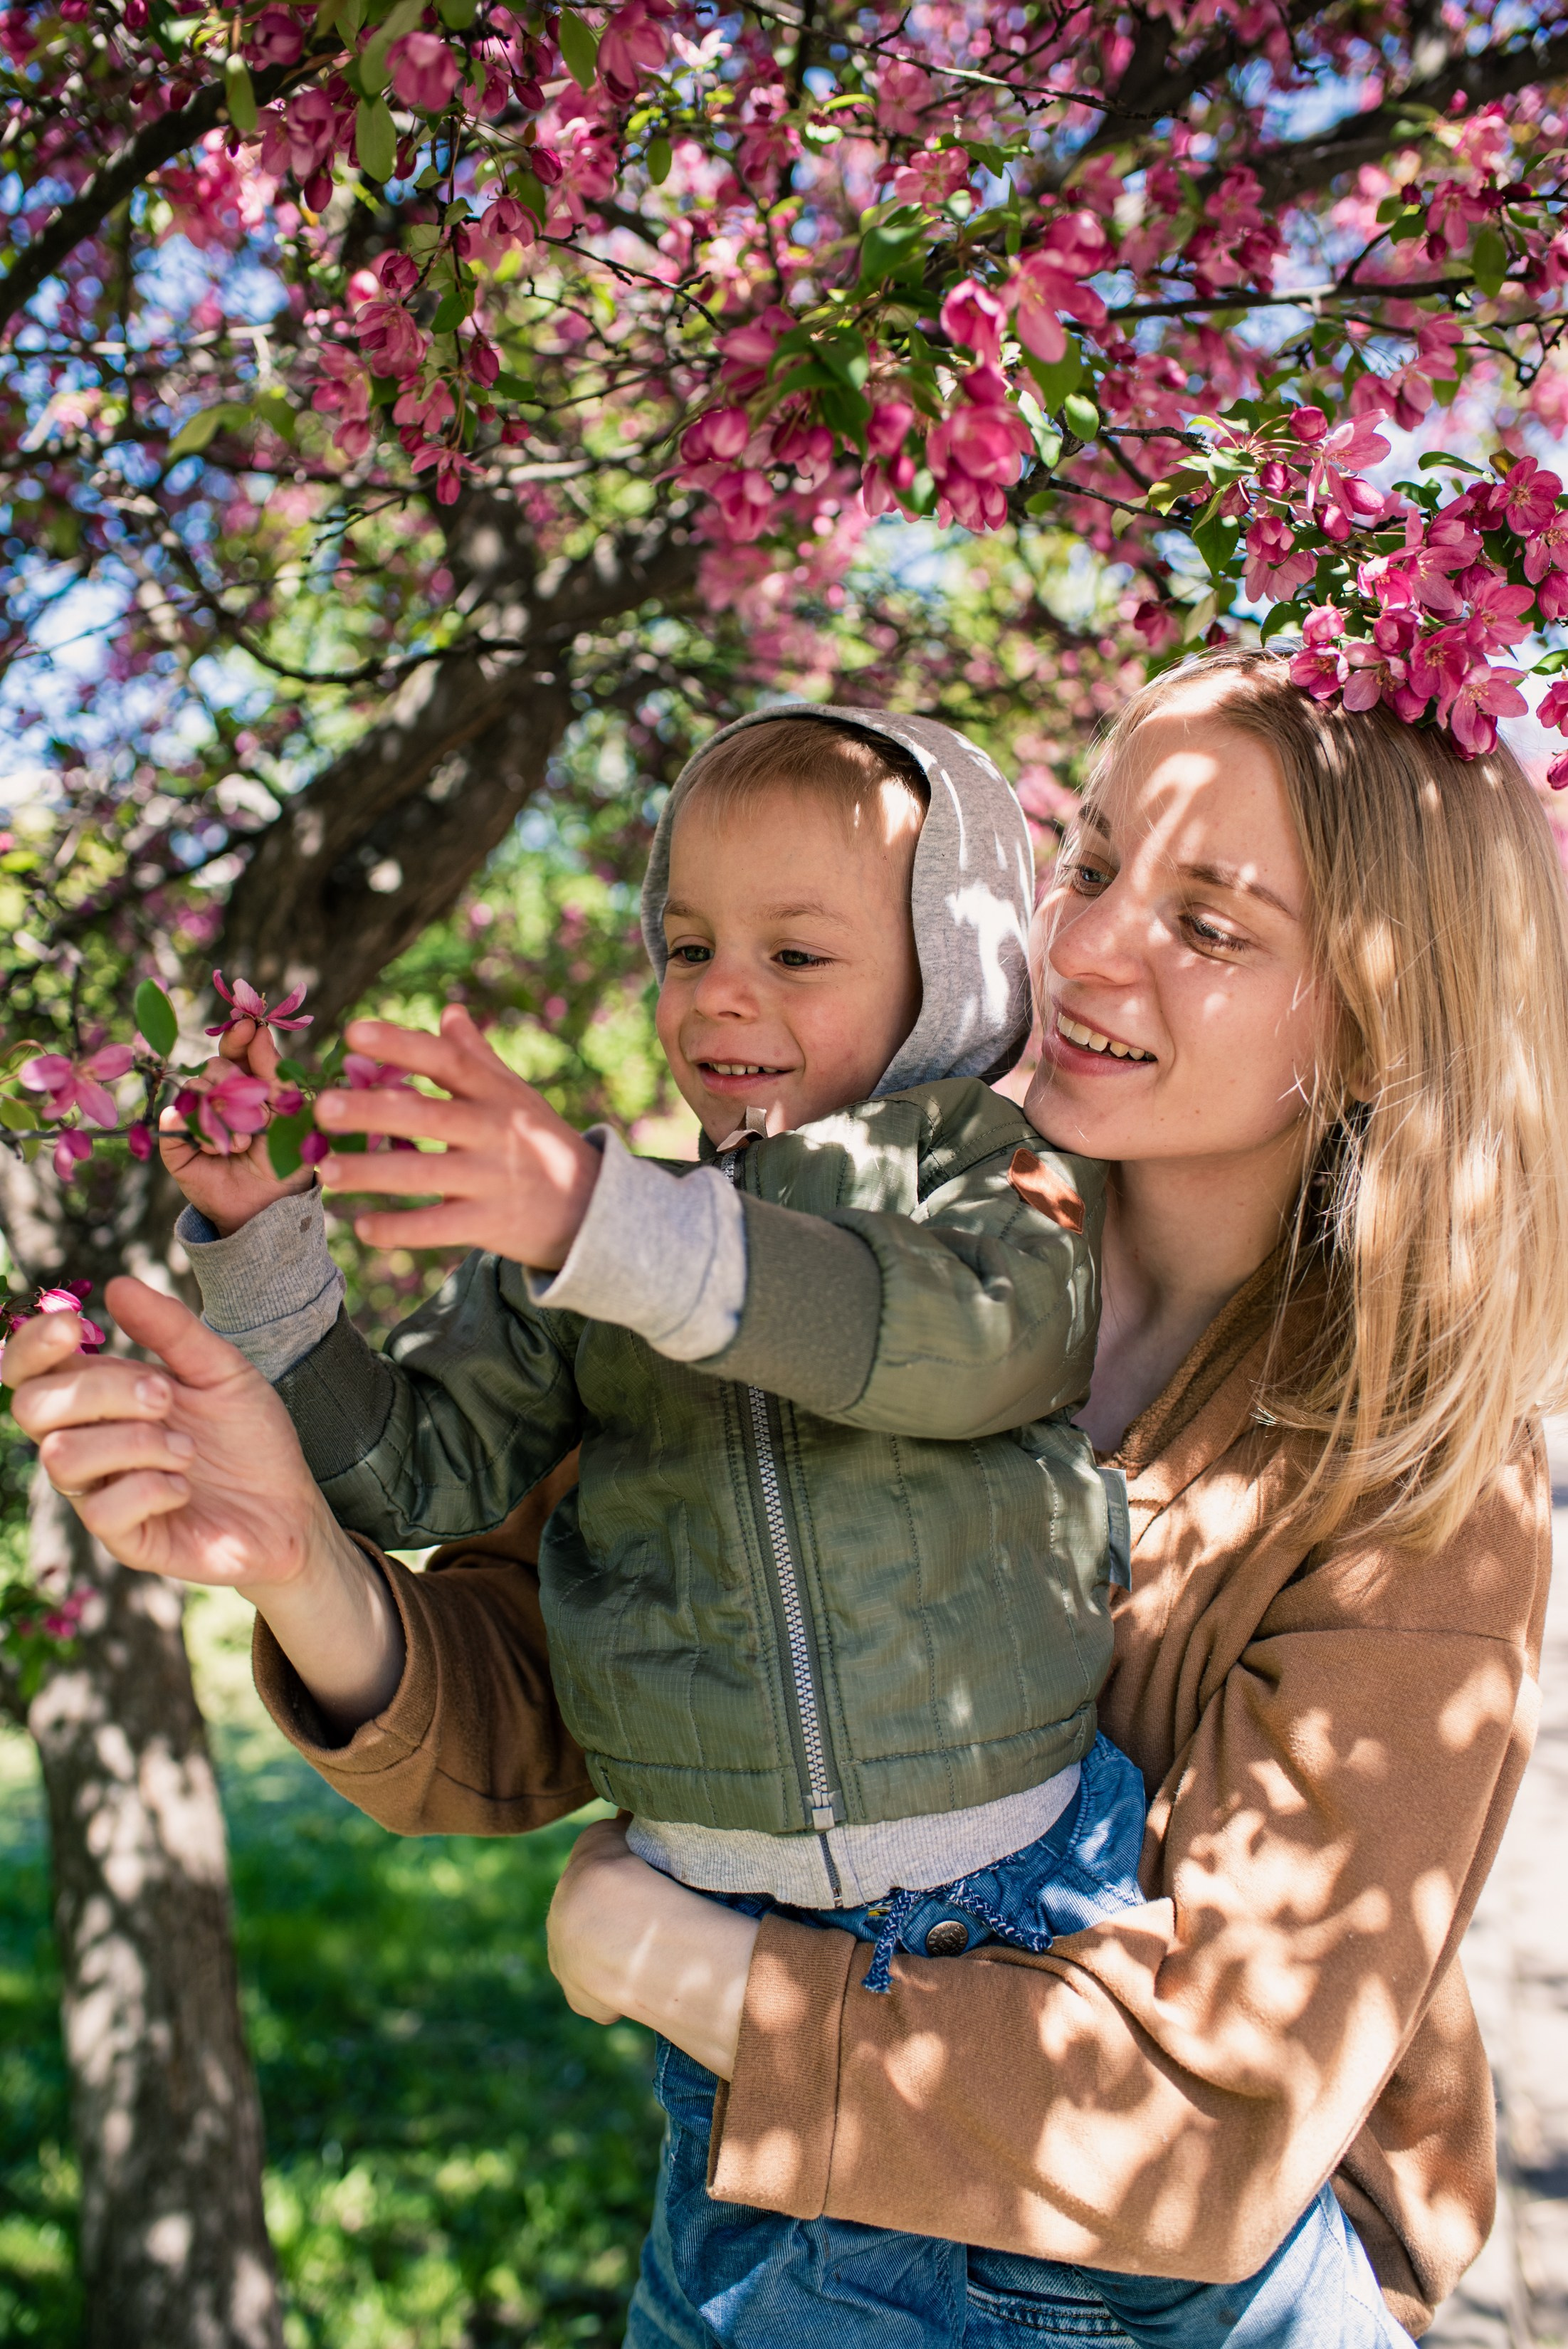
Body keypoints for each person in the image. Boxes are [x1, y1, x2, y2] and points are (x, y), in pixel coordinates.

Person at [6, 648, 1565, 2343]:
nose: (1093, 948)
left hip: (1187, 2296)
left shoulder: (1420, 1475)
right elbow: (528, 1691)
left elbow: (1206, 2128)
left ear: (1371, 1021)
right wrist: (297, 1558)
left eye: (1211, 923)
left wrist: (694, 1974)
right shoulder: (784, 1257)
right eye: (1097, 864)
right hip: (786, 2224)